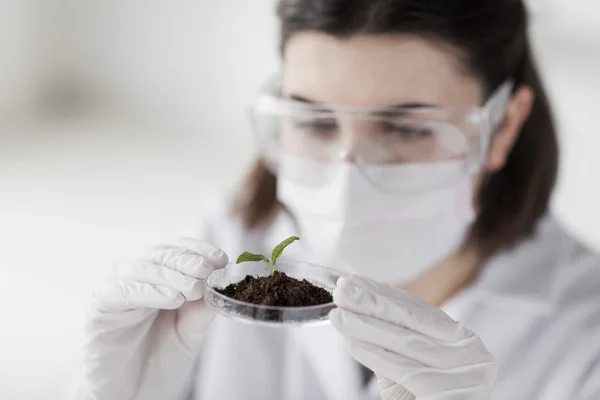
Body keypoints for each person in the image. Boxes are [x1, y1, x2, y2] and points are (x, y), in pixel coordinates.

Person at [72, 0, 600, 399]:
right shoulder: (228, 247)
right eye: (316, 121)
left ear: (503, 126)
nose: (348, 180)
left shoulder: (586, 339)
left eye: (407, 129)